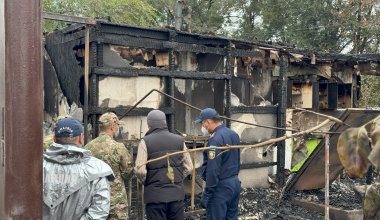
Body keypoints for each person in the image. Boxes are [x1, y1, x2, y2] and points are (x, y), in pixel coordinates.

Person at [43, 117, 114, 219]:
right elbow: (99, 212)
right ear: (81, 138)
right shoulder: (98, 169)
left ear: (54, 138)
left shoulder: (34, 168)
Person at [134, 110, 193, 220]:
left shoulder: (145, 141)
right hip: (176, 196)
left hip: (155, 198)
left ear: (149, 124)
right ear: (164, 123)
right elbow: (189, 167)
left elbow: (140, 170)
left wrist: (147, 181)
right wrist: (177, 178)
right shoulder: (179, 140)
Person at [85, 112, 133, 220]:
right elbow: (128, 172)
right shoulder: (118, 147)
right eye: (117, 126)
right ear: (112, 127)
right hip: (116, 202)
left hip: (93, 200)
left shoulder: (88, 147)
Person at [195, 108, 241, 220]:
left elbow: (213, 169)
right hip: (234, 183)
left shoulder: (215, 140)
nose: (203, 127)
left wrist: (207, 194)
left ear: (208, 122)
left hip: (221, 187)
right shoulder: (233, 134)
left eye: (202, 123)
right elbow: (238, 160)